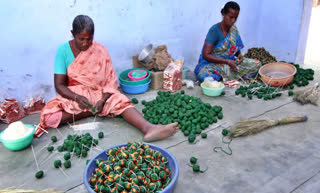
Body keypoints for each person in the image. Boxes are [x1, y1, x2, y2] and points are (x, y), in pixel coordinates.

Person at [39, 15, 178, 142]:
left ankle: (149, 128)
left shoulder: (99, 50)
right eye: (81, 39)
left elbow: (110, 82)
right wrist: (77, 98)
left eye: (89, 39)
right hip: (76, 95)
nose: (85, 43)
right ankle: (89, 112)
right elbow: (59, 85)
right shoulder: (62, 50)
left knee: (121, 99)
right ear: (72, 34)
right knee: (49, 116)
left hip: (99, 94)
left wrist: (103, 100)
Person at [194, 1, 261, 82]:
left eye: (236, 18)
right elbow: (206, 55)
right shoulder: (214, 30)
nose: (233, 21)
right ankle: (231, 77)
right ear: (223, 13)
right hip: (212, 64)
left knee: (257, 64)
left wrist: (239, 55)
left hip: (230, 64)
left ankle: (226, 77)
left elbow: (235, 48)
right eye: (231, 17)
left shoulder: (233, 29)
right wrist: (227, 61)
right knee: (204, 75)